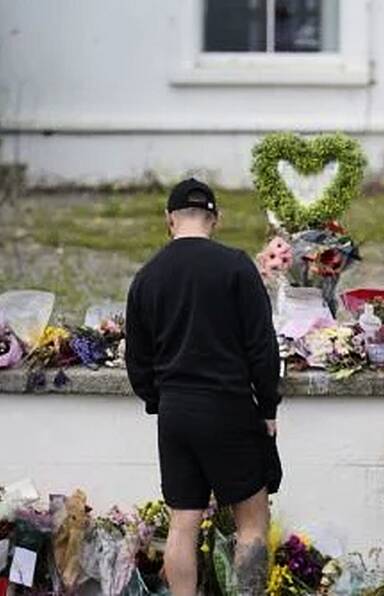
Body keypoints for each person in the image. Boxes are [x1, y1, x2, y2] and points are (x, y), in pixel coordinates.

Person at [125, 178, 282, 596]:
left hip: (175, 412)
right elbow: (262, 346)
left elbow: (137, 362)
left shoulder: (147, 276)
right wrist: (268, 407)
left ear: (169, 220)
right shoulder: (234, 266)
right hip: (228, 407)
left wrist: (161, 400)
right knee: (251, 522)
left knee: (182, 524)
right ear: (216, 219)